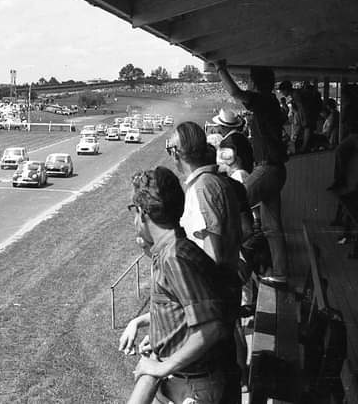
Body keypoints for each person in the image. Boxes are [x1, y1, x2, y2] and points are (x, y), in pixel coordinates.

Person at [120, 166, 239, 404]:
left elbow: (211, 327)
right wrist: (159, 336)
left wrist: (162, 367)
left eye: (134, 210)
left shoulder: (175, 257)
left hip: (191, 387)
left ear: (143, 213)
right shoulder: (175, 251)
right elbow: (183, 311)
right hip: (186, 381)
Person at [214, 60, 289, 286]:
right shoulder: (270, 102)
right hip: (275, 170)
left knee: (231, 204)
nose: (248, 84)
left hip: (267, 168)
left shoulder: (263, 100)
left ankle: (229, 266)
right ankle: (280, 274)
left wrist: (220, 68)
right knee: (271, 228)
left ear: (255, 83)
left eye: (249, 80)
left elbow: (235, 92)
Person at [165, 122, 243, 272]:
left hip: (214, 282)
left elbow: (212, 254)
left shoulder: (202, 187)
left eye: (170, 150)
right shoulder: (214, 180)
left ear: (175, 153)